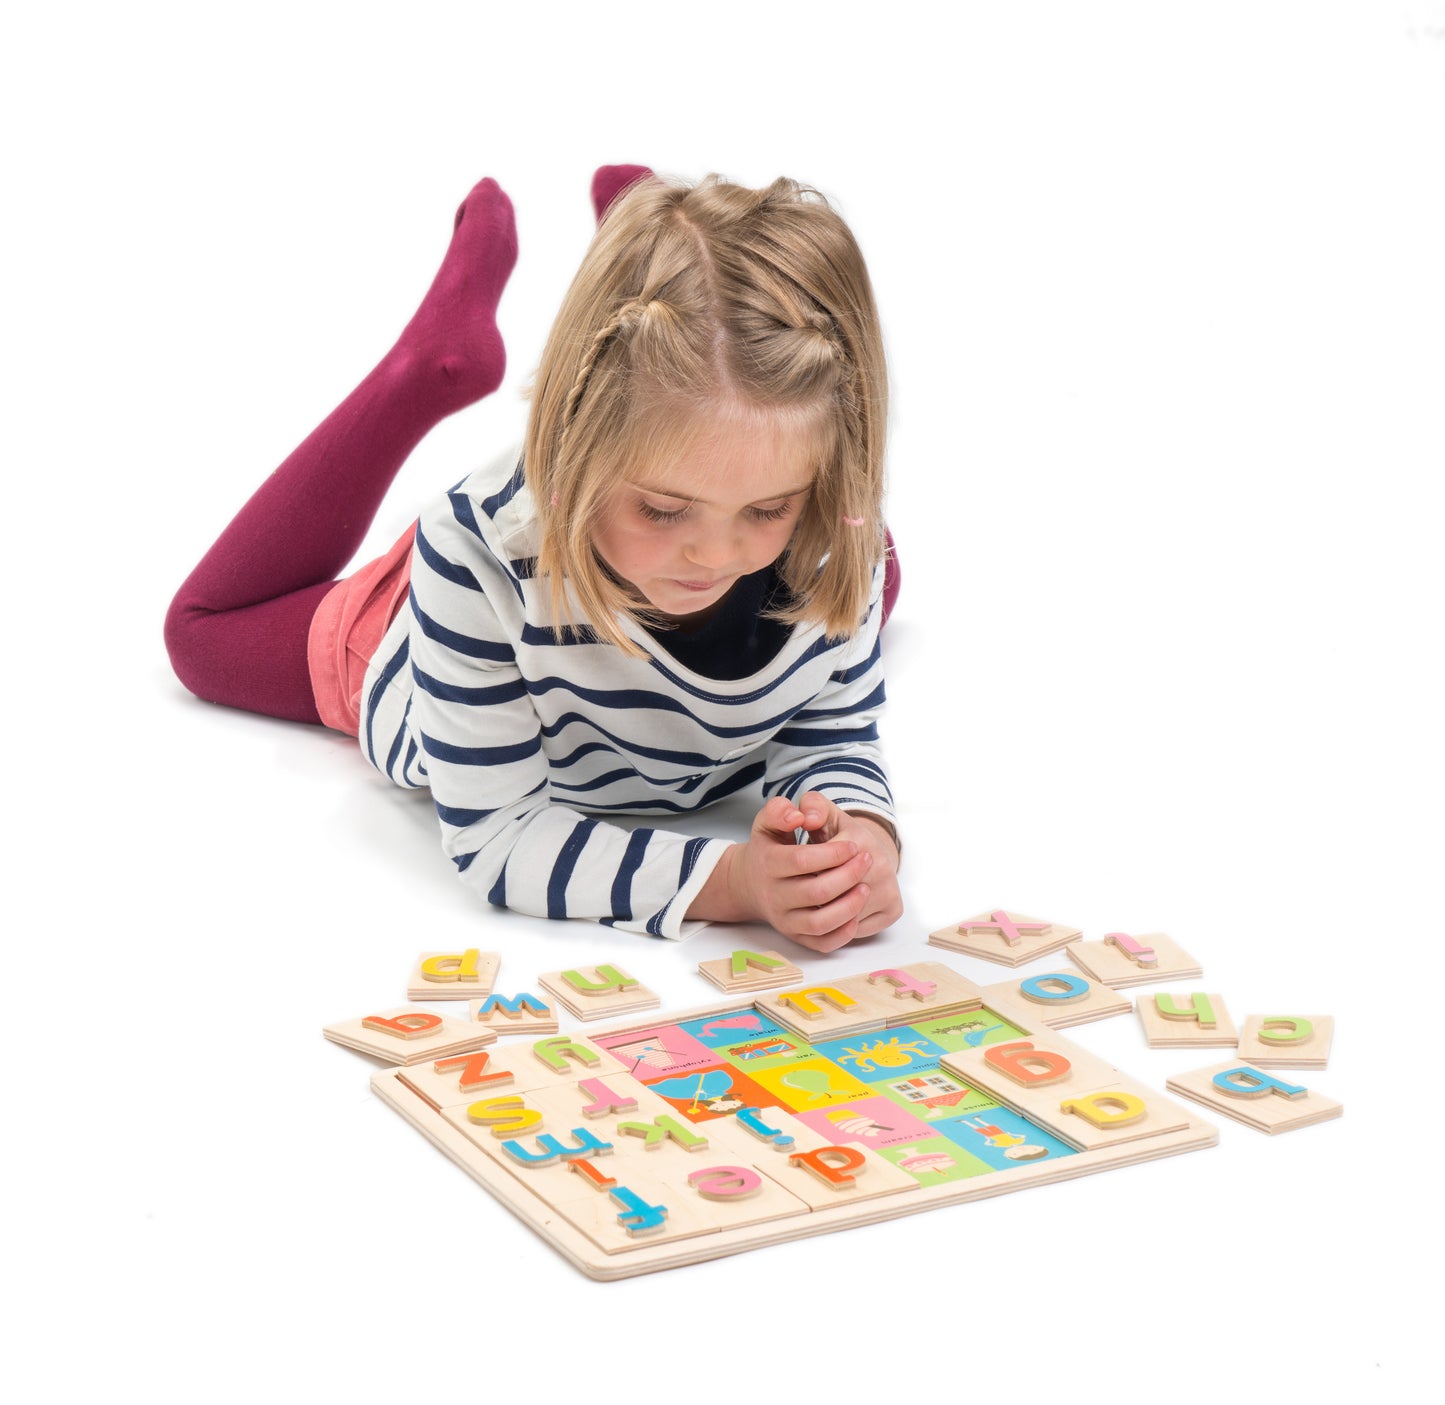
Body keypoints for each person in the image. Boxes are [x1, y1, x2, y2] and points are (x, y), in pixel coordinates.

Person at [165, 166, 902, 952]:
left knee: (872, 566)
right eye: (661, 507)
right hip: (455, 615)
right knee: (200, 636)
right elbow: (503, 838)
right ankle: (421, 369)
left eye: (767, 506)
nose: (716, 554)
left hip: (619, 521)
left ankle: (652, 274)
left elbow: (834, 736)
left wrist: (858, 846)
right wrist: (734, 883)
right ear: (575, 437)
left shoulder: (833, 531)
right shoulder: (473, 558)